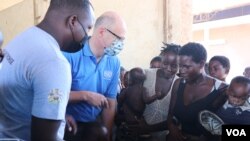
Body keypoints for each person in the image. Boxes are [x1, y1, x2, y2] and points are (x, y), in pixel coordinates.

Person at [0, 0, 95, 141]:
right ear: (73, 21)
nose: (86, 36)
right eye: (87, 28)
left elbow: (27, 96)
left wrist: (56, 115)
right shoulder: (55, 63)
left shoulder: (26, 36)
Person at [62, 11, 127, 141]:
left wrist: (107, 133)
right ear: (102, 32)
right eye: (118, 38)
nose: (121, 44)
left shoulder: (114, 62)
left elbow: (110, 101)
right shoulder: (70, 55)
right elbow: (51, 95)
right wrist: (85, 96)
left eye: (123, 40)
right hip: (67, 123)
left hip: (94, 126)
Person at [166, 42, 228, 141]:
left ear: (201, 64)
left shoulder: (222, 90)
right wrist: (172, 128)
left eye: (186, 66)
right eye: (180, 66)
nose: (181, 71)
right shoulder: (178, 83)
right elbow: (171, 115)